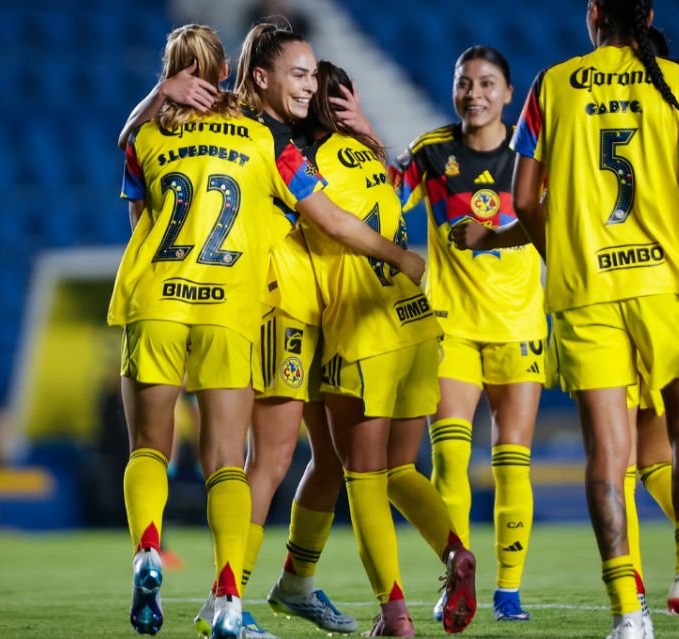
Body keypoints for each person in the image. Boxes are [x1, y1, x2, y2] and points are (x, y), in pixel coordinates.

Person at [112, 23, 422, 639]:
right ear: (228, 73)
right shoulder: (262, 140)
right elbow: (332, 218)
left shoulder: (145, 136)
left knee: (149, 449)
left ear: (171, 74)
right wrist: (401, 257)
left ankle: (149, 550)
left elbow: (137, 215)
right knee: (232, 463)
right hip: (236, 307)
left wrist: (158, 98)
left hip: (157, 300)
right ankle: (228, 599)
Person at [507, 1, 679, 637]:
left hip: (589, 294)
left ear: (594, 12)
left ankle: (629, 614)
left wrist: (568, 260)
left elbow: (523, 200)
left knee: (610, 455)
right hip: (668, 290)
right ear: (649, 13)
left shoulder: (551, 84)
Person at [299, 60, 478, 637]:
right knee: (400, 468)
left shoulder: (303, 164)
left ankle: (393, 611)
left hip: (362, 330)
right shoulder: (372, 158)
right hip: (415, 324)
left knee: (364, 477)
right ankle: (455, 551)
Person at [389, 46, 543, 623]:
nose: (474, 94)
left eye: (486, 83)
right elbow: (380, 196)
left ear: (508, 93)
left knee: (512, 461)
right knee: (450, 461)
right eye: (464, 83)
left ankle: (509, 591)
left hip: (518, 326)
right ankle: (456, 577)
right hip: (451, 325)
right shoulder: (431, 152)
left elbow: (553, 218)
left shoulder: (534, 155)